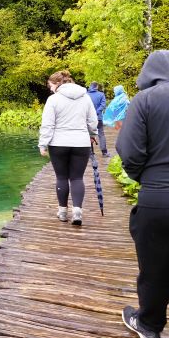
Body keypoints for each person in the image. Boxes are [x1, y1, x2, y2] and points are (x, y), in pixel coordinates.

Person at [117, 50, 169, 338]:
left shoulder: (145, 100)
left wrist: (147, 180)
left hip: (159, 196)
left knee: (155, 267)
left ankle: (150, 327)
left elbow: (130, 152)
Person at [39, 70, 98, 226]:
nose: (50, 89)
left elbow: (48, 124)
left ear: (57, 84)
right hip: (81, 143)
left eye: (50, 85)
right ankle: (77, 211)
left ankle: (63, 212)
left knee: (61, 177)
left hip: (58, 143)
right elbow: (92, 121)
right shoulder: (85, 98)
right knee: (77, 178)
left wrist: (43, 143)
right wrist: (92, 134)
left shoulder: (53, 100)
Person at [87, 82, 110, 157]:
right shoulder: (101, 94)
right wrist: (96, 112)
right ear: (96, 87)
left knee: (89, 134)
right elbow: (103, 105)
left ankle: (91, 152)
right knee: (101, 134)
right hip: (98, 118)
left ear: (90, 86)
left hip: (89, 118)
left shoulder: (86, 95)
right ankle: (104, 152)